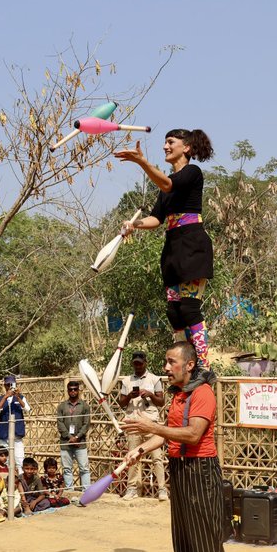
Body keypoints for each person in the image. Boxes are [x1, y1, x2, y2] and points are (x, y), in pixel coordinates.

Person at [122, 341, 230, 552]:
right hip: (181, 471)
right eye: (166, 362)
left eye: (171, 362)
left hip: (201, 472)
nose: (166, 368)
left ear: (190, 364)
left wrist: (150, 427)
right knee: (184, 543)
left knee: (206, 547)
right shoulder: (179, 395)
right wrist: (141, 449)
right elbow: (170, 435)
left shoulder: (203, 394)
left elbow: (193, 434)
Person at [115, 130, 217, 373]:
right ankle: (183, 365)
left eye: (171, 142)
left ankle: (203, 366)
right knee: (174, 311)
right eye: (165, 142)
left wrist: (142, 162)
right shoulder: (165, 189)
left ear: (187, 148)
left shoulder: (192, 173)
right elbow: (156, 219)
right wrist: (134, 224)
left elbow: (167, 183)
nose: (165, 146)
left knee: (189, 308)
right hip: (172, 249)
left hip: (192, 246)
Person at [118, 351, 168, 500]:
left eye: (140, 363)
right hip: (133, 423)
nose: (138, 366)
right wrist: (129, 396)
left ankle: (162, 489)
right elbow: (121, 403)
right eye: (135, 363)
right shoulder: (127, 381)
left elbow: (161, 402)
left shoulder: (154, 379)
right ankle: (132, 489)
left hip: (151, 423)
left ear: (145, 362)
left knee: (157, 457)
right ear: (132, 364)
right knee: (133, 457)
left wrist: (150, 395)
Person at [55, 380, 92, 490]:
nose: (73, 391)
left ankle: (86, 491)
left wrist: (77, 437)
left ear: (78, 391)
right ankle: (70, 491)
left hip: (80, 443)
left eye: (75, 389)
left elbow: (86, 424)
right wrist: (69, 437)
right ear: (67, 391)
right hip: (66, 442)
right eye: (70, 389)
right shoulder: (61, 406)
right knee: (67, 468)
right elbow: (60, 423)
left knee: (84, 468)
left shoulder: (85, 406)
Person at [0, 374, 31, 470]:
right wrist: (5, 397)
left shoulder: (20, 397)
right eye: (8, 385)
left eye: (12, 384)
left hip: (17, 435)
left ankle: (21, 481)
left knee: (20, 460)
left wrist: (18, 397)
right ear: (4, 385)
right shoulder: (0, 399)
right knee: (4, 461)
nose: (10, 387)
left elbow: (27, 409)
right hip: (4, 435)